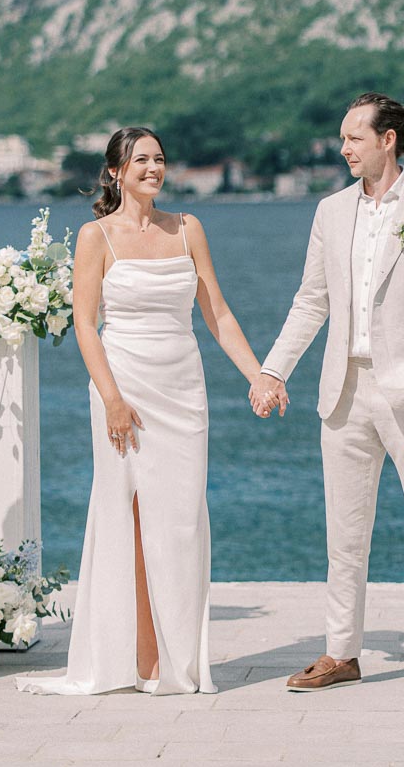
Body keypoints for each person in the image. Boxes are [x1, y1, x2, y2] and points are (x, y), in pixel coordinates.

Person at [249, 93, 404, 700]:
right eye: (343, 137)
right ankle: (341, 652)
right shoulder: (330, 211)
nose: (343, 147)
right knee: (344, 534)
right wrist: (274, 371)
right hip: (343, 390)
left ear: (388, 140)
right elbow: (312, 300)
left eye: (354, 137)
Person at [19, 126, 261, 695]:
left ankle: (180, 661)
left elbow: (218, 313)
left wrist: (259, 377)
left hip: (183, 390)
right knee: (127, 516)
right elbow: (84, 323)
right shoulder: (95, 236)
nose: (153, 168)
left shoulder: (188, 229)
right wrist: (112, 400)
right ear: (115, 172)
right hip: (123, 387)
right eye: (141, 160)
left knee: (179, 522)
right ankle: (142, 659)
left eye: (159, 159)